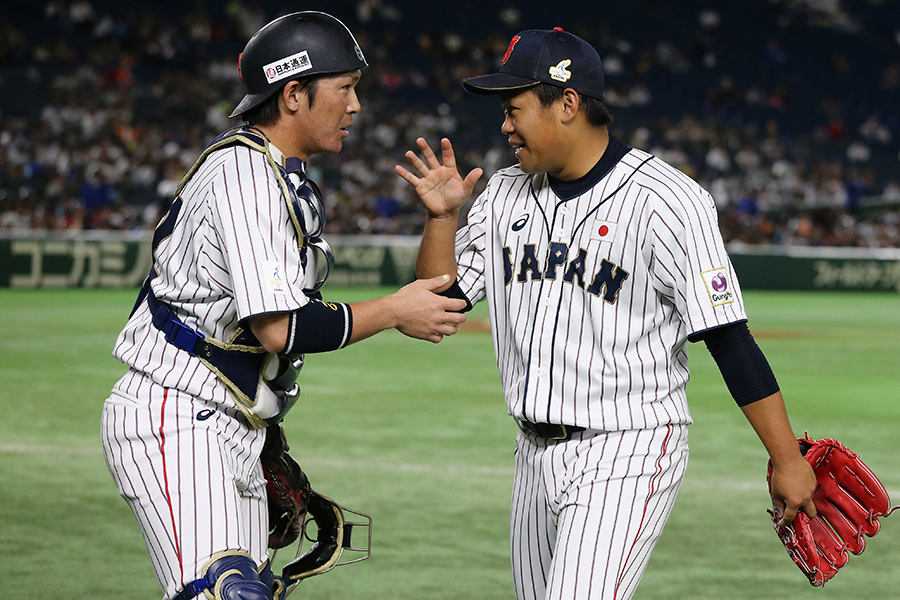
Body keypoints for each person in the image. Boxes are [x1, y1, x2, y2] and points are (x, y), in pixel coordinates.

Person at [396, 27, 817, 600]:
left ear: (566, 103)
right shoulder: (501, 194)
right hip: (532, 454)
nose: (504, 125)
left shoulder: (667, 200)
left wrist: (787, 458)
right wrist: (442, 220)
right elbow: (435, 307)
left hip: (629, 445)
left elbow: (728, 338)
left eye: (514, 107)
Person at [100, 12, 466, 600]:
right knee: (225, 594)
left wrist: (265, 430)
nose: (356, 106)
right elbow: (280, 327)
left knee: (253, 591)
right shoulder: (244, 174)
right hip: (178, 417)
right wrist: (395, 310)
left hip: (228, 418)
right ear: (293, 94)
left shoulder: (272, 174)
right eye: (345, 89)